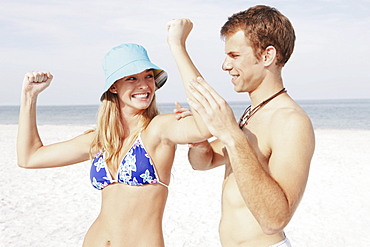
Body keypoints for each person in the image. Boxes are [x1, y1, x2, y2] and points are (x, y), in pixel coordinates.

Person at [17, 43, 211, 246]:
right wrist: (29, 97)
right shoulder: (101, 140)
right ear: (113, 86)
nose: (144, 85)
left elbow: (206, 125)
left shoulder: (158, 129)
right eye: (132, 78)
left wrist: (178, 46)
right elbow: (29, 157)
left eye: (149, 76)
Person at [167, 5, 315, 247]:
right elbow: (203, 162)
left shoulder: (291, 121)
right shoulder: (253, 113)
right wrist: (200, 142)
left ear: (267, 56)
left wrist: (178, 46)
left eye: (234, 55)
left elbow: (274, 221)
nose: (225, 65)